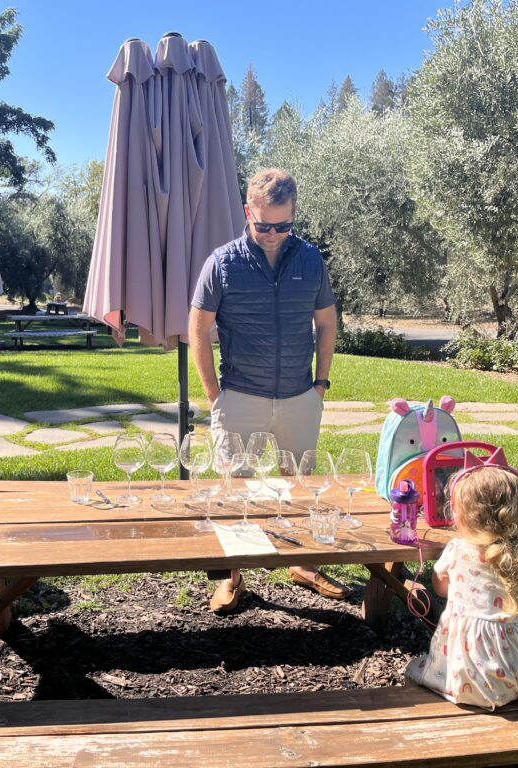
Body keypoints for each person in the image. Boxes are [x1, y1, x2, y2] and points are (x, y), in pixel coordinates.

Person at [188, 168, 344, 614]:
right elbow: (198, 329)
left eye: (283, 225)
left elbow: (327, 322)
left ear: (295, 215)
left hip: (300, 396)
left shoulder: (311, 259)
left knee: (302, 486)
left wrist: (320, 384)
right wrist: (214, 395)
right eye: (263, 225)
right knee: (234, 490)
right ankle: (234, 577)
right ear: (247, 213)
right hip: (240, 396)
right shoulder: (221, 262)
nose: (273, 234)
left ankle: (305, 564)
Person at [406, 463, 518, 709]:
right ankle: (513, 684)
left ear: (460, 516)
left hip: (470, 681)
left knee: (413, 669)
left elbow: (440, 589)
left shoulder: (456, 551)